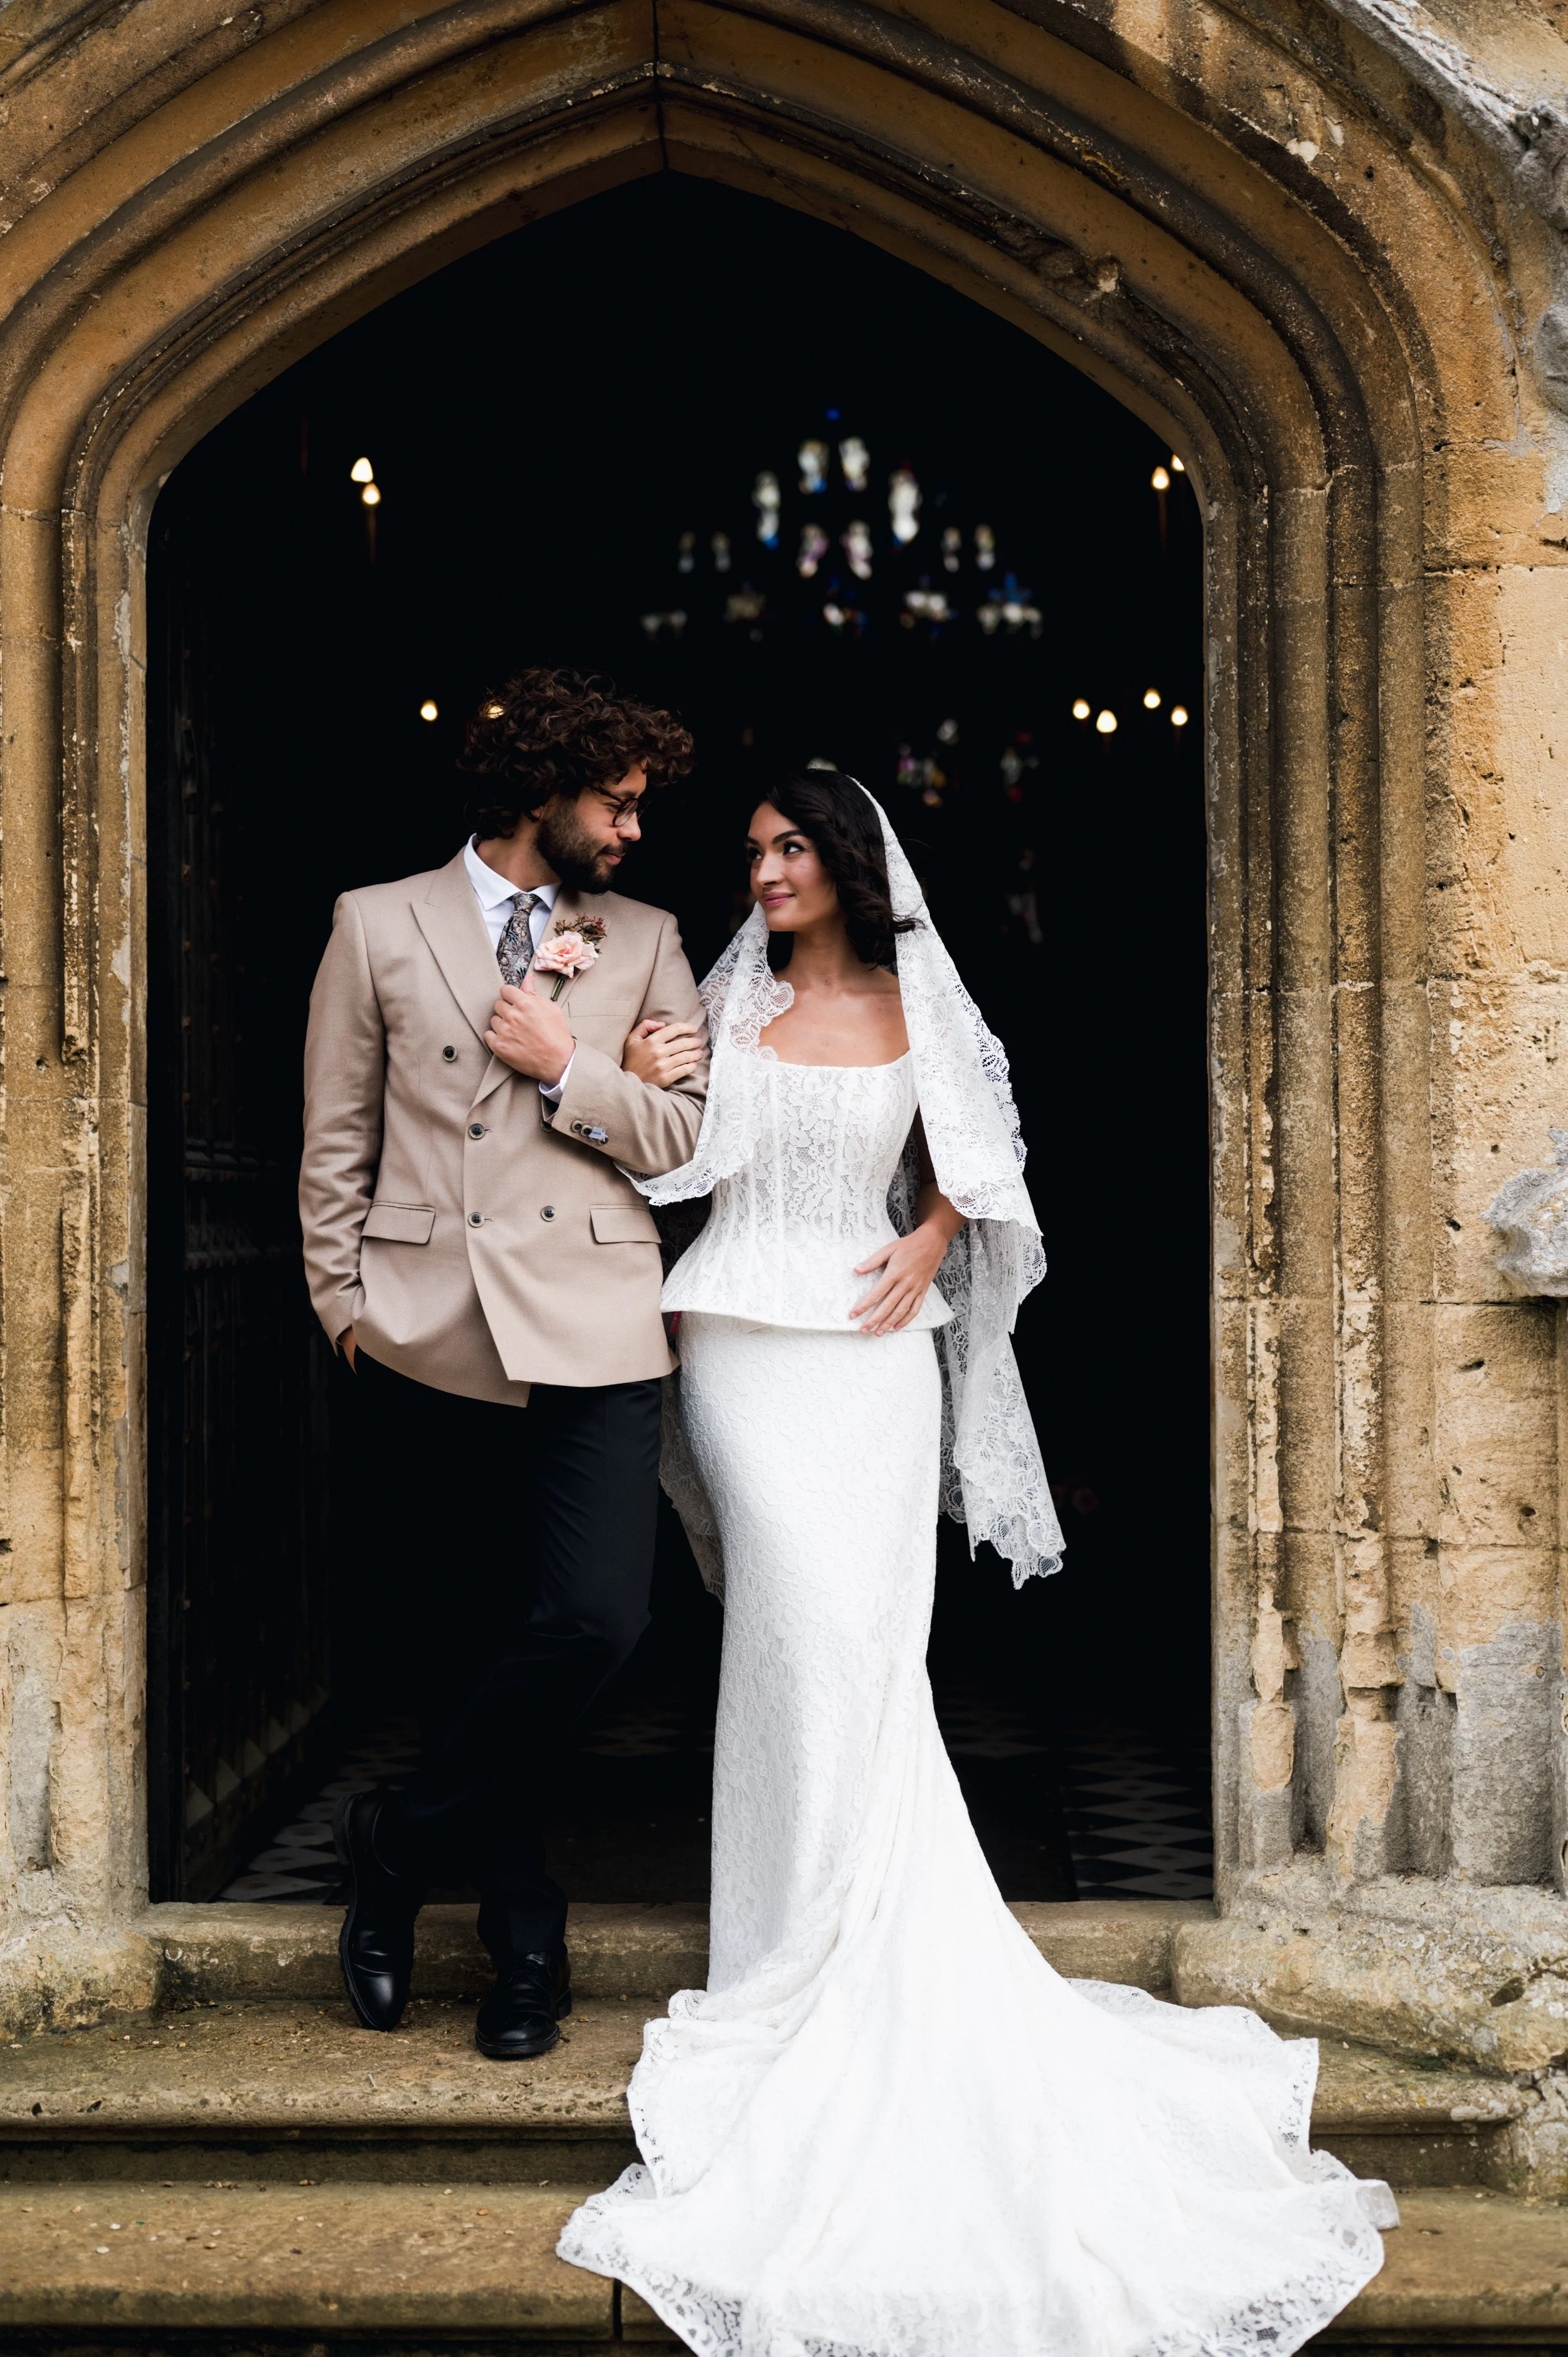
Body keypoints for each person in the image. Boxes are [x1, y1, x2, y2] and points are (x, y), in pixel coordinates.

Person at [559, 771, 1396, 2357]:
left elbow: (986, 1155)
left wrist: (933, 1234)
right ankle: (781, 1955)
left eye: (789, 848)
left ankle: (854, 1942)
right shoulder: (719, 1000)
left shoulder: (912, 996)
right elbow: (670, 1164)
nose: (765, 873)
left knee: (862, 1647)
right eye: (750, 854)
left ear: (851, 862)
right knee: (790, 1629)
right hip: (742, 1340)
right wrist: (634, 1065)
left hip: (873, 1352)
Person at [299, 666, 709, 2060]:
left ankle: (395, 1844)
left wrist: (568, 1068)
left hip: (594, 1321)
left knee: (599, 1620)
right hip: (427, 1327)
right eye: (619, 801)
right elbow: (334, 1141)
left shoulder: (645, 939)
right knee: (471, 1643)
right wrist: (344, 1307)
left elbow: (681, 1143)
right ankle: (523, 1943)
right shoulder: (377, 922)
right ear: (543, 788)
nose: (635, 830)